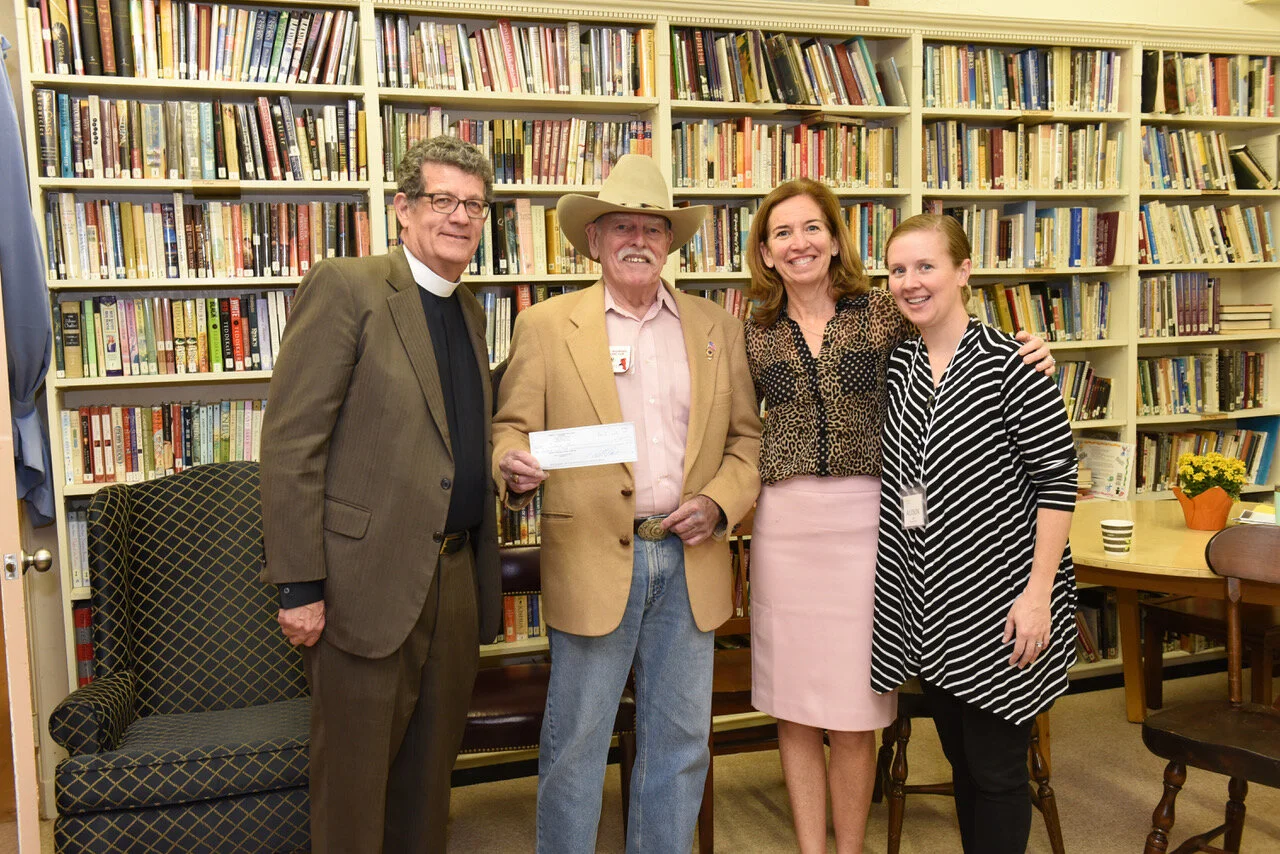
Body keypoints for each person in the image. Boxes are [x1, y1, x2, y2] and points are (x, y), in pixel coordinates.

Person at [743, 179, 1055, 854]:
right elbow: (730, 421)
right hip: (785, 529)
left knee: (855, 709)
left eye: (812, 227)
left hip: (869, 525)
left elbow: (955, 333)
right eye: (782, 233)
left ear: (835, 239)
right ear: (765, 252)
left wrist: (1035, 349)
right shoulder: (752, 329)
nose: (799, 243)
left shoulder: (883, 310)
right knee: (793, 709)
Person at [492, 153, 761, 853]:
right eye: (621, 227)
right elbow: (511, 428)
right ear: (594, 239)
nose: (638, 239)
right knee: (577, 743)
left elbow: (747, 443)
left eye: (653, 227)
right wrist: (511, 465)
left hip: (691, 557)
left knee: (681, 742)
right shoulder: (546, 325)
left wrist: (719, 503)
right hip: (591, 558)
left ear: (671, 242)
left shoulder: (717, 328)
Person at [259, 135, 503, 853]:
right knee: (355, 786)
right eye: (443, 199)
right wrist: (299, 585)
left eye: (475, 205)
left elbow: (452, 443)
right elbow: (291, 444)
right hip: (362, 586)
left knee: (429, 784)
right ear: (403, 207)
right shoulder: (348, 287)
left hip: (453, 578)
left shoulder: (470, 310)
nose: (460, 217)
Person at [871, 214, 1078, 854]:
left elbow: (1058, 484)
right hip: (931, 606)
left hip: (1002, 603)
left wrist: (1037, 596)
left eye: (925, 266)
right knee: (961, 763)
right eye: (898, 269)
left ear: (964, 271)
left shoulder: (1013, 364)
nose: (910, 282)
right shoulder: (901, 363)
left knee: (996, 771)